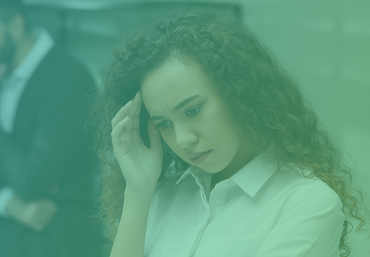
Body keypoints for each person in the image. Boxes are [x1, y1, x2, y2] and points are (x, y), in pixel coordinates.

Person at [95, 13, 367, 257]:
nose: (182, 140)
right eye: (164, 124)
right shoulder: (159, 198)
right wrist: (138, 192)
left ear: (238, 93)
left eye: (193, 111)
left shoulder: (307, 203)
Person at [0, 0, 102, 256]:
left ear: (16, 26)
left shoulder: (69, 79)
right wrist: (12, 203)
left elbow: (31, 181)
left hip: (58, 247)